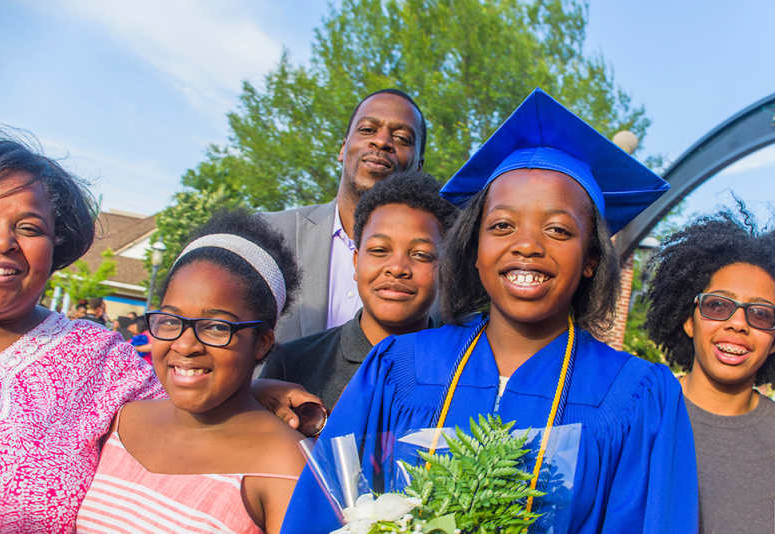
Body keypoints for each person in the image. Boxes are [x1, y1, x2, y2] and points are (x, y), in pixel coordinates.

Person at [281, 88, 697, 533]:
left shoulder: (638, 397)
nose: (526, 245)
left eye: (557, 229)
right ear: (475, 249)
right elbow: (322, 513)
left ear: (591, 258)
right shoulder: (396, 367)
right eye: (502, 225)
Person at [77, 209, 305, 533]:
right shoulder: (119, 421)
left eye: (215, 327)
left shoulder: (285, 465)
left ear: (262, 342)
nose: (185, 345)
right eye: (170, 321)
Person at [0, 133, 160, 531]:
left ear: (55, 246)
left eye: (28, 228)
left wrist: (253, 396)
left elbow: (190, 424)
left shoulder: (98, 358)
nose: (2, 241)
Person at [261, 170, 457, 409]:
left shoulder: (465, 368)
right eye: (379, 250)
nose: (397, 268)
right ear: (356, 261)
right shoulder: (293, 364)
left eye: (421, 254)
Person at [644, 207, 775, 534]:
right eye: (718, 305)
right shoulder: (638, 416)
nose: (738, 324)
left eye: (760, 314)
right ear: (689, 320)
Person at [262, 88, 426, 343]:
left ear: (418, 166)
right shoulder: (270, 235)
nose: (382, 141)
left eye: (402, 138)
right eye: (367, 130)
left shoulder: (442, 264)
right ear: (343, 148)